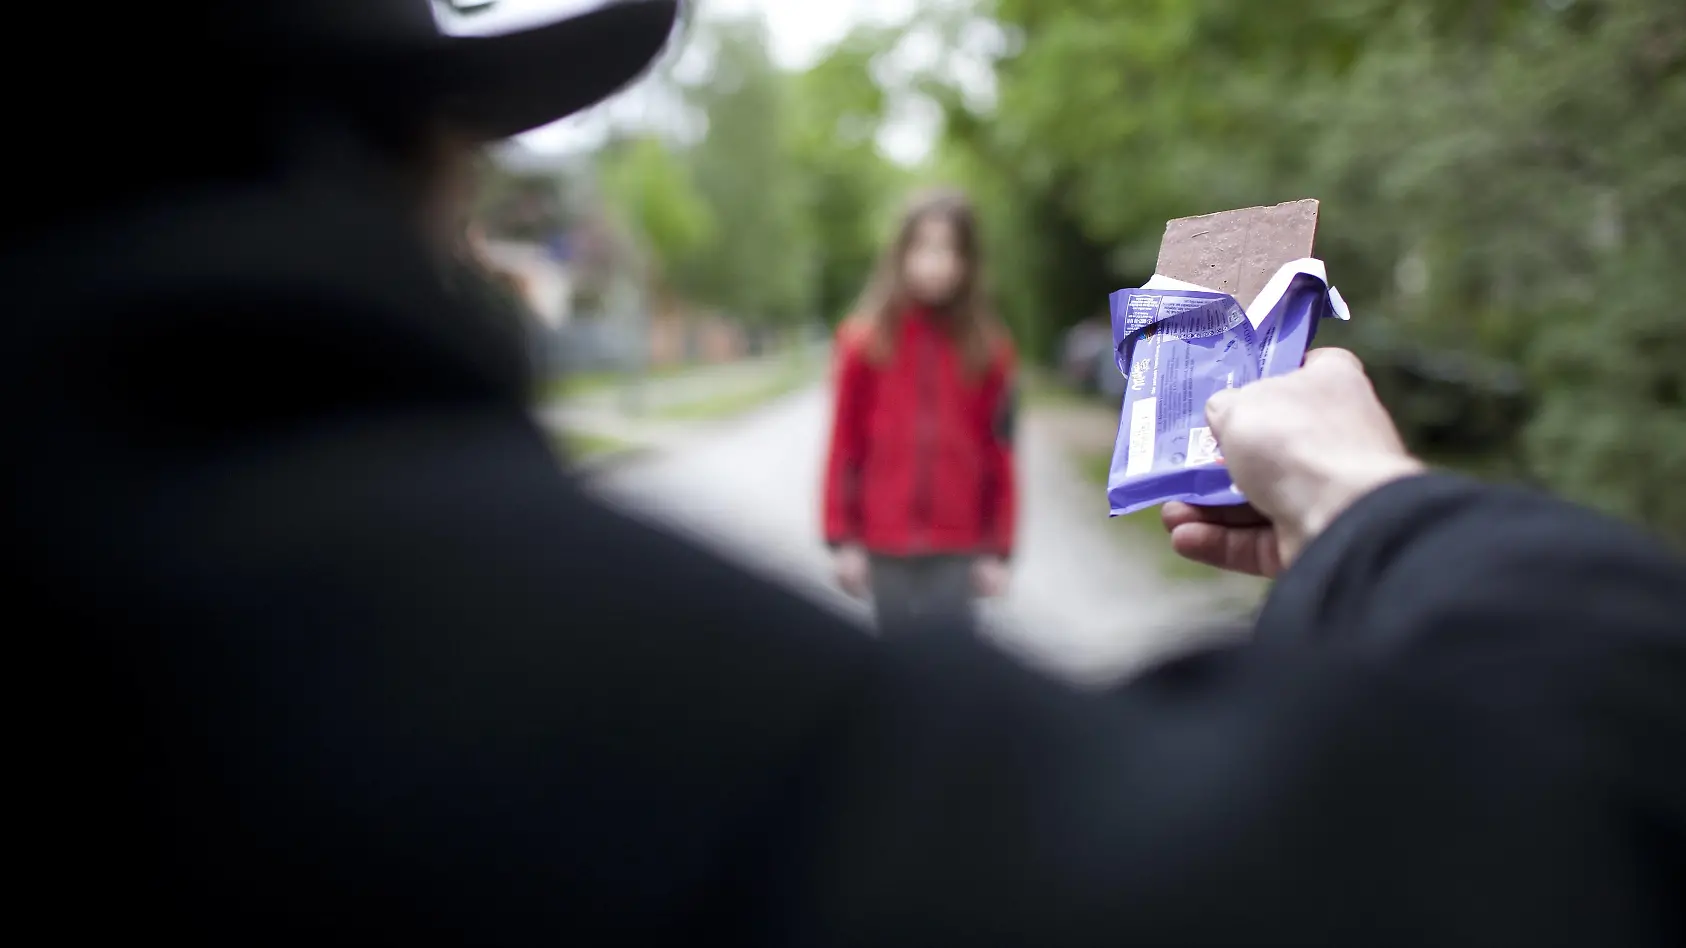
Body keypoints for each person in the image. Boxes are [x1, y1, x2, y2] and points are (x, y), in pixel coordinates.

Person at [8, 2, 1685, 945]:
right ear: (372, 139)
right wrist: (1367, 501)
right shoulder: (458, 656)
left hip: (956, 539)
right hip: (892, 543)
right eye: (470, 128)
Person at [822, 189, 1018, 633]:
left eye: (949, 249)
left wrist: (998, 549)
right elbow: (843, 446)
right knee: (895, 667)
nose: (935, 263)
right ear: (901, 255)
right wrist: (842, 538)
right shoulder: (862, 344)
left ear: (968, 262)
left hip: (958, 545)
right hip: (883, 541)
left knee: (951, 669)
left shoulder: (990, 350)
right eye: (923, 248)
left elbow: (1000, 452)